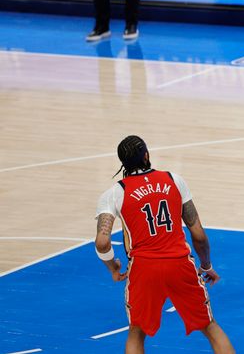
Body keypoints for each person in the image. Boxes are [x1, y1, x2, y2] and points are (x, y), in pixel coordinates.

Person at [94, 135, 235, 353]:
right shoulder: (174, 180)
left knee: (136, 332)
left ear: (122, 162)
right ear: (147, 156)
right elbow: (198, 234)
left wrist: (113, 268)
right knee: (210, 327)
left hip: (143, 269)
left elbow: (103, 242)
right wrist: (206, 265)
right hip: (179, 264)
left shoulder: (114, 194)